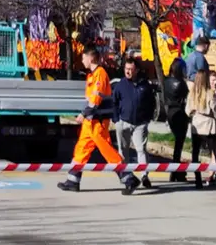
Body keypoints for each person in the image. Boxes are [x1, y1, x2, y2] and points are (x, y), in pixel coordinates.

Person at [58, 47, 141, 196]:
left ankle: (129, 178)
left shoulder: (100, 75)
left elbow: (96, 100)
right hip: (91, 122)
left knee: (107, 151)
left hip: (98, 121)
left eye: (83, 57)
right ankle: (73, 180)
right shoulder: (91, 75)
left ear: (91, 59)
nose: (82, 60)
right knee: (81, 150)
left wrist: (84, 114)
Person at [111, 58, 155, 187]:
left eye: (131, 69)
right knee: (123, 151)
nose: (128, 72)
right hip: (123, 122)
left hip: (140, 124)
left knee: (141, 149)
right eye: (126, 69)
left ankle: (144, 175)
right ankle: (126, 176)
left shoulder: (144, 85)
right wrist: (116, 120)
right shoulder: (120, 85)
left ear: (136, 70)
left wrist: (148, 118)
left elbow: (151, 103)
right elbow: (114, 103)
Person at [185, 70, 216, 190]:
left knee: (195, 155)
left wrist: (194, 114)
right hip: (209, 126)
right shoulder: (210, 94)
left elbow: (187, 110)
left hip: (196, 125)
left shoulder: (192, 94)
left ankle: (198, 181)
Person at [164, 57, 191, 182]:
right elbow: (185, 96)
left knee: (177, 143)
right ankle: (176, 172)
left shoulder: (167, 81)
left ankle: (175, 172)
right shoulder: (181, 84)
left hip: (170, 111)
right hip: (180, 113)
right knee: (179, 144)